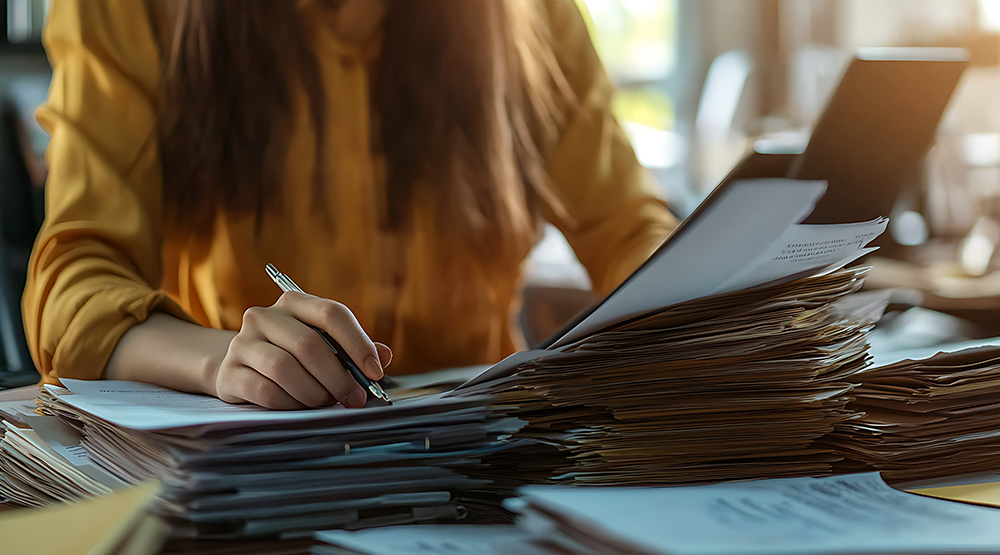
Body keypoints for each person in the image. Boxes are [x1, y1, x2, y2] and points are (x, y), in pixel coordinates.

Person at [23, 0, 676, 410]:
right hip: (252, 470)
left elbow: (630, 229)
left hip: (480, 470)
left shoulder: (528, 15)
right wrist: (218, 358)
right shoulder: (126, 10)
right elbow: (73, 288)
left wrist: (704, 305)